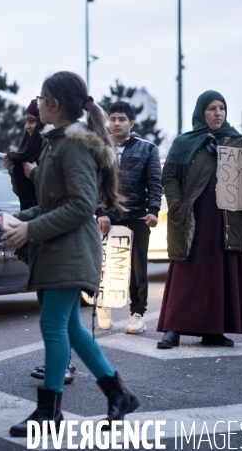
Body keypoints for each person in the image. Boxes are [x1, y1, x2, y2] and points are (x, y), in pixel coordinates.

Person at [2, 71, 139, 437]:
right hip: (59, 248)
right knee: (72, 328)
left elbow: (80, 206)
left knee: (52, 326)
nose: (38, 103)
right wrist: (19, 218)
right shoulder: (56, 143)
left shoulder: (72, 145)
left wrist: (29, 228)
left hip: (71, 250)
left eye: (42, 98)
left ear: (55, 104)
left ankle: (49, 413)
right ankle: (118, 393)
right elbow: (53, 203)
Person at [156, 90, 242, 349]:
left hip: (227, 218)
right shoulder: (184, 143)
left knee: (221, 273)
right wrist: (178, 207)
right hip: (194, 216)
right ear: (202, 112)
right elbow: (170, 178)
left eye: (222, 108)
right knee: (186, 271)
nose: (218, 113)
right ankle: (173, 328)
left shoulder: (235, 140)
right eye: (212, 108)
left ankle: (214, 331)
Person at [3, 99, 76, 384]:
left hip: (56, 236)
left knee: (56, 313)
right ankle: (107, 385)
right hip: (38, 235)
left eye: (32, 121)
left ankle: (62, 369)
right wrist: (15, 172)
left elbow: (65, 199)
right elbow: (31, 197)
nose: (28, 127)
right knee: (53, 311)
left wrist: (34, 173)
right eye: (27, 121)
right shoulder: (35, 152)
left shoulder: (58, 150)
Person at [95, 101, 162, 333]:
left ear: (131, 123)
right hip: (107, 217)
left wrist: (153, 211)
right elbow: (92, 183)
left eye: (121, 119)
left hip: (136, 216)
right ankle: (102, 305)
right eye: (112, 119)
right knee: (103, 264)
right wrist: (100, 211)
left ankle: (138, 313)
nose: (116, 123)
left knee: (137, 268)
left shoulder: (148, 149)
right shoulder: (99, 148)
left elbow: (155, 182)